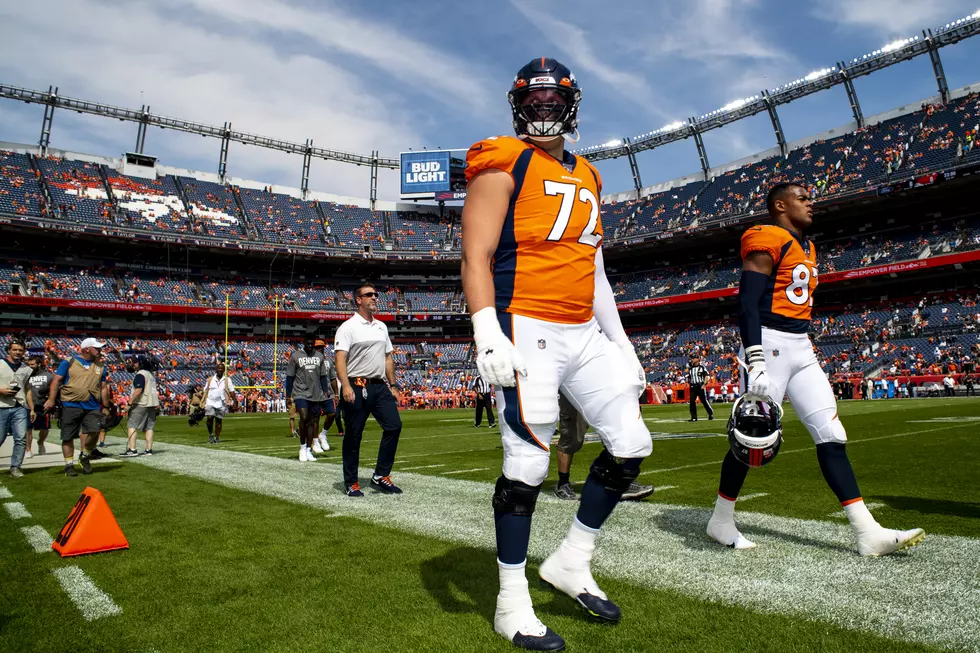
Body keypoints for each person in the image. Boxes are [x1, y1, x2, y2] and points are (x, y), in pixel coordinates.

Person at [461, 58, 652, 650]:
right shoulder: (502, 158)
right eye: (534, 100)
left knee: (631, 446)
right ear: (519, 105)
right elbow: (476, 253)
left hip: (582, 330)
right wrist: (487, 331)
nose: (544, 109)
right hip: (527, 324)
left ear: (570, 104)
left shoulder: (590, 173)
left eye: (553, 100)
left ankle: (571, 560)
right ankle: (509, 602)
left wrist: (620, 341)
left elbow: (594, 269)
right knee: (528, 463)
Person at [706, 182, 923, 557]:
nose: (811, 204)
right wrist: (755, 357)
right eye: (802, 199)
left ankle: (867, 532)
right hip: (769, 344)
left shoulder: (808, 246)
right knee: (751, 436)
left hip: (800, 345)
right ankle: (721, 520)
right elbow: (747, 303)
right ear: (779, 205)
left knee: (831, 432)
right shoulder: (766, 236)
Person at [335, 284, 403, 496]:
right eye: (369, 295)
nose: (374, 297)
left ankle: (381, 475)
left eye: (375, 294)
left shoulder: (382, 327)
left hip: (380, 385)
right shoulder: (348, 327)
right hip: (357, 384)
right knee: (354, 435)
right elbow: (340, 358)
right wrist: (345, 385)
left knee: (394, 426)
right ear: (358, 299)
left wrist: (393, 385)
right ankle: (351, 481)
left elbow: (388, 357)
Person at [553, 392, 653, 502]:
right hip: (575, 388)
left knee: (615, 434)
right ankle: (563, 483)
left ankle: (621, 481)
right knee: (571, 437)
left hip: (603, 388)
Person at [44, 338, 111, 477]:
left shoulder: (101, 366)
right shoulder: (69, 362)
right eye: (97, 348)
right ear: (87, 349)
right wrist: (51, 399)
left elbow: (103, 387)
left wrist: (106, 406)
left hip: (92, 405)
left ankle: (85, 456)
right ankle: (69, 465)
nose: (100, 351)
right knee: (68, 436)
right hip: (71, 403)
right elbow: (56, 380)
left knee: (95, 430)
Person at [285, 335, 330, 462]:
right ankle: (302, 447)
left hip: (315, 393)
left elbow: (322, 376)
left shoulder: (319, 357)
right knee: (304, 417)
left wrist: (325, 391)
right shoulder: (295, 356)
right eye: (308, 343)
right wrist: (288, 395)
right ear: (304, 343)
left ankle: (308, 450)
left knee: (312, 421)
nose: (310, 346)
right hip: (300, 392)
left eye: (312, 344)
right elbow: (289, 377)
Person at [0, 339, 31, 478]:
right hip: (1, 405)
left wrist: (32, 408)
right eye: (15, 349)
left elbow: (28, 389)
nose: (18, 352)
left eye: (20, 350)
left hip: (20, 406)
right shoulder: (0, 363)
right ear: (9, 350)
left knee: (21, 438)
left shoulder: (26, 368)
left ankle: (16, 467)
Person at [121, 355, 160, 457]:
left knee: (132, 426)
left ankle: (132, 449)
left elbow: (138, 390)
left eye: (135, 362)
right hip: (151, 404)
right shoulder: (150, 375)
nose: (133, 365)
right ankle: (148, 450)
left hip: (141, 403)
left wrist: (129, 403)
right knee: (149, 427)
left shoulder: (140, 374)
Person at [25, 354, 54, 458]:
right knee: (28, 429)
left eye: (32, 364)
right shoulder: (26, 375)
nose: (30, 366)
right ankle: (28, 450)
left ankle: (40, 442)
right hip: (28, 405)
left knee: (44, 428)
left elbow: (54, 389)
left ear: (39, 364)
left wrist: (50, 399)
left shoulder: (49, 375)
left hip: (43, 405)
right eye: (29, 364)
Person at [312, 338, 338, 454]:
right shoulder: (310, 360)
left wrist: (336, 393)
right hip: (314, 393)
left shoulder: (328, 361)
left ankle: (323, 434)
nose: (319, 349)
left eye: (321, 347)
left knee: (332, 414)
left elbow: (333, 378)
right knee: (315, 418)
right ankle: (315, 441)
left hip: (327, 392)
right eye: (317, 347)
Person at [203, 362, 236, 444]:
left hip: (221, 402)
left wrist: (235, 401)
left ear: (224, 370)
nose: (220, 370)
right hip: (210, 401)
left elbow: (232, 391)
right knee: (209, 417)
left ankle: (217, 437)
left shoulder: (227, 380)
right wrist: (202, 401)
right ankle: (210, 434)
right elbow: (205, 391)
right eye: (219, 368)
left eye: (222, 368)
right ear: (216, 369)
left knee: (219, 420)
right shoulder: (210, 380)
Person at [687, 356, 714, 422]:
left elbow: (707, 376)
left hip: (700, 386)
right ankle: (694, 417)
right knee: (692, 401)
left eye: (693, 358)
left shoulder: (702, 367)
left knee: (704, 401)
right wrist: (690, 382)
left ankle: (710, 413)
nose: (692, 359)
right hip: (693, 386)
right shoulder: (691, 368)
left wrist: (704, 384)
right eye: (692, 358)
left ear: (697, 359)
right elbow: (690, 377)